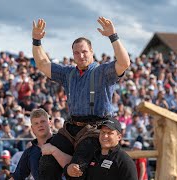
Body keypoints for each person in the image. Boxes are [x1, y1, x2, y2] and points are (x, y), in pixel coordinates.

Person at [32, 16, 130, 179]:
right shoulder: (68, 73)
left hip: (94, 129)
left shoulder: (102, 72)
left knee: (76, 169)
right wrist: (36, 41)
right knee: (46, 163)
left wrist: (113, 37)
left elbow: (124, 63)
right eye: (76, 53)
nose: (81, 55)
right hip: (71, 129)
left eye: (84, 51)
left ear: (92, 52)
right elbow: (42, 64)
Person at [11, 108, 72, 180]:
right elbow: (17, 177)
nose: (40, 125)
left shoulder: (63, 141)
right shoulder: (29, 152)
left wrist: (54, 150)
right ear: (32, 128)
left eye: (43, 121)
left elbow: (75, 165)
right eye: (36, 123)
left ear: (50, 123)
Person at [67, 118, 138, 180]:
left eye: (110, 133)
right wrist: (69, 170)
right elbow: (78, 175)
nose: (105, 136)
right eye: (103, 132)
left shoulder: (124, 161)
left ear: (119, 137)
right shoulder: (93, 155)